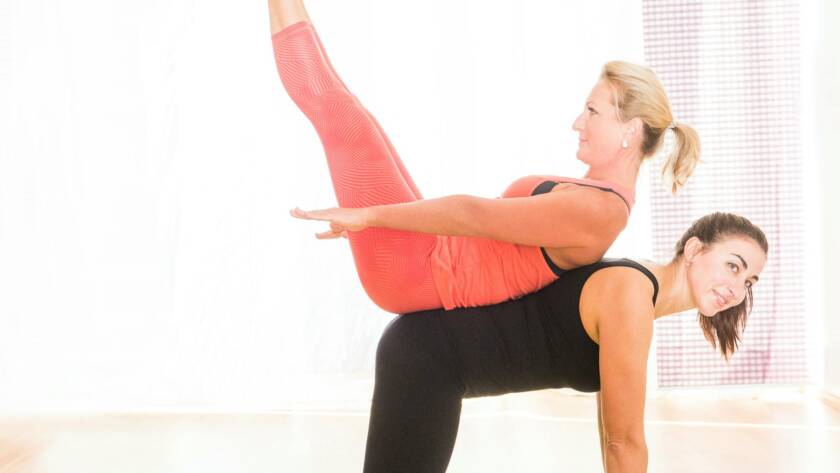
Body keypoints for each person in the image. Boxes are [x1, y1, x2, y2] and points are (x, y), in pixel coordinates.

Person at [268, 0, 701, 313]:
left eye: (592, 111)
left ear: (631, 129)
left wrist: (371, 217)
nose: (577, 122)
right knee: (354, 115)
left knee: (345, 121)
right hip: (425, 257)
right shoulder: (594, 193)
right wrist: (373, 224)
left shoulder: (601, 209)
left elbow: (475, 216)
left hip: (418, 273)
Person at [363, 212, 768, 473]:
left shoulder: (640, 292)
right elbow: (624, 442)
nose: (737, 288)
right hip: (426, 359)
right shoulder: (631, 294)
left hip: (430, 357)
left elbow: (611, 430)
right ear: (695, 249)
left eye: (748, 281)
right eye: (733, 265)